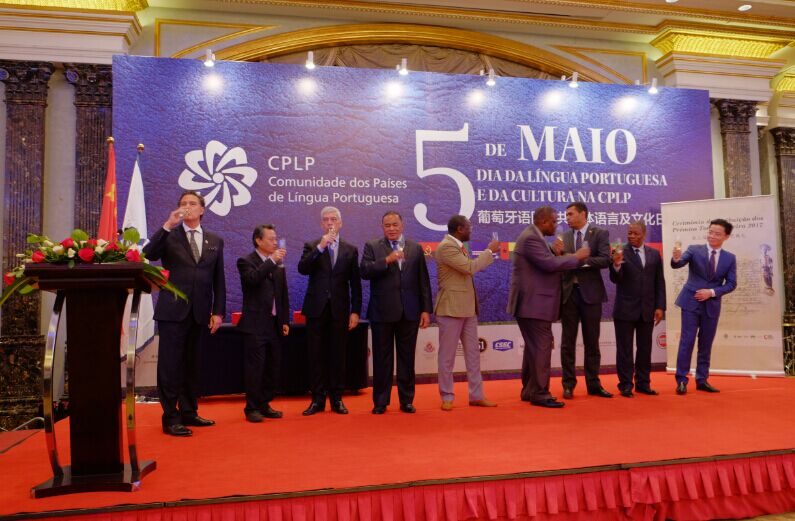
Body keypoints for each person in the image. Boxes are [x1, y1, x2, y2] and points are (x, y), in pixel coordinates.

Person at [143, 190, 226, 437]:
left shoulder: (215, 240)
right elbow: (148, 254)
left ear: (202, 210)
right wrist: (168, 225)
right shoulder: (170, 235)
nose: (187, 206)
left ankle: (189, 412)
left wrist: (218, 312)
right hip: (172, 312)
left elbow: (218, 279)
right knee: (170, 366)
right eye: (183, 203)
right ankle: (171, 417)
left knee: (192, 365)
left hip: (200, 313)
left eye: (192, 203)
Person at [507, 206, 589, 408]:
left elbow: (548, 261)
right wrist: (577, 256)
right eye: (553, 221)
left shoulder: (535, 236)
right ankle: (541, 393)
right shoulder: (531, 238)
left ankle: (530, 391)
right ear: (543, 222)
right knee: (542, 347)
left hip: (532, 304)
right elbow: (549, 265)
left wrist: (555, 252)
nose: (556, 225)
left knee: (534, 349)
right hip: (533, 304)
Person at [360, 211, 432, 414]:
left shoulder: (415, 248)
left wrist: (425, 309)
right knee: (382, 359)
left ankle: (406, 400)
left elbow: (423, 281)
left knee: (406, 358)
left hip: (409, 311)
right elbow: (364, 271)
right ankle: (381, 402)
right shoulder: (372, 246)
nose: (391, 228)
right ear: (382, 227)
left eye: (395, 224)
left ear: (402, 225)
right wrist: (387, 260)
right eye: (387, 225)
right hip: (382, 312)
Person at [297, 206, 362, 415]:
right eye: (326, 220)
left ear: (340, 223)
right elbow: (302, 268)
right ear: (321, 224)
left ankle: (337, 399)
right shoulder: (312, 246)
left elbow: (355, 284)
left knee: (338, 355)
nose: (330, 222)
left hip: (339, 310)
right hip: (316, 310)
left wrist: (355, 311)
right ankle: (317, 399)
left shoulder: (350, 249)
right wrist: (320, 247)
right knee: (316, 355)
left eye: (333, 219)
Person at [434, 215, 500, 411]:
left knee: (473, 355)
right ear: (460, 229)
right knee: (447, 357)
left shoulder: (459, 246)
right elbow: (469, 268)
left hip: (468, 308)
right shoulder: (446, 247)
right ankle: (447, 396)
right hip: (451, 308)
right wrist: (489, 251)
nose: (471, 230)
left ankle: (476, 395)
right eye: (469, 227)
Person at [671, 218, 737, 395]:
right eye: (710, 232)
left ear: (726, 237)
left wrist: (712, 292)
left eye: (717, 234)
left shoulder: (730, 258)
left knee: (706, 343)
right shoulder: (694, 249)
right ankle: (681, 380)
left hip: (712, 305)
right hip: (690, 303)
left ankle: (702, 379)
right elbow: (678, 263)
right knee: (687, 341)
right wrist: (676, 258)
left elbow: (731, 284)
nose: (712, 236)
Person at [558, 202, 613, 399]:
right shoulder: (563, 237)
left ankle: (593, 384)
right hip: (569, 294)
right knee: (567, 343)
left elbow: (605, 260)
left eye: (571, 214)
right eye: (566, 215)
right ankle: (568, 384)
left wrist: (579, 260)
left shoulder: (599, 233)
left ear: (583, 214)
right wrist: (569, 257)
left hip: (591, 294)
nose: (567, 218)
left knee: (592, 342)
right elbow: (559, 261)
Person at [236, 224, 290, 423]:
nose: (275, 242)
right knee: (255, 368)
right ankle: (251, 407)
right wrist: (271, 260)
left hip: (274, 323)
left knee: (272, 367)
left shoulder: (278, 263)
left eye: (276, 239)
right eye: (270, 239)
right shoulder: (246, 261)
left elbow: (282, 293)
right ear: (258, 240)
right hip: (255, 323)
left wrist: (284, 319)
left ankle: (264, 403)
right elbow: (253, 279)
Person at [608, 221, 666, 398]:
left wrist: (660, 306)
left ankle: (643, 383)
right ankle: (625, 385)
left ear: (644, 234)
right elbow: (615, 279)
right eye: (629, 233)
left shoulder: (654, 254)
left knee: (645, 349)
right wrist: (616, 264)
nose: (631, 236)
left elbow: (659, 282)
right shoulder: (620, 252)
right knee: (624, 350)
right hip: (625, 310)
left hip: (647, 309)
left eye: (635, 233)